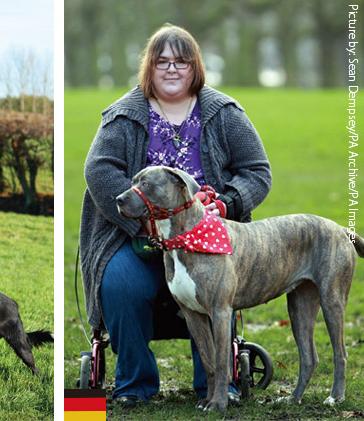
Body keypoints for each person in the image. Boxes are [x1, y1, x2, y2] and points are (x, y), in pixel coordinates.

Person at [79, 23, 272, 406]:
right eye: (162, 61)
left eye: (181, 62)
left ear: (195, 68)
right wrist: (144, 221)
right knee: (121, 284)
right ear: (149, 68)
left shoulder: (224, 113)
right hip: (135, 236)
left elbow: (257, 171)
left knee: (217, 291)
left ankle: (216, 387)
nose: (171, 69)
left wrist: (229, 203)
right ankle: (134, 385)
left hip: (208, 235)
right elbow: (99, 171)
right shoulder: (122, 115)